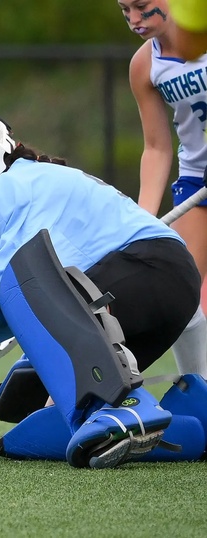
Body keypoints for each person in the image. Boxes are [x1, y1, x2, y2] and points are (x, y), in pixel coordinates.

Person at [0, 110, 202, 468]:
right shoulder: (29, 181)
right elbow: (27, 297)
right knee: (33, 436)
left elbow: (9, 290)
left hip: (147, 269)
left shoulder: (8, 187)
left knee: (28, 296)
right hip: (170, 283)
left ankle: (127, 407)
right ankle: (195, 422)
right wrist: (33, 369)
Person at [120, 0, 207, 379]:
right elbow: (157, 147)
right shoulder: (144, 64)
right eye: (124, 9)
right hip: (196, 184)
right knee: (175, 290)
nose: (134, 20)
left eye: (142, 6)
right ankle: (202, 394)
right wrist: (141, 220)